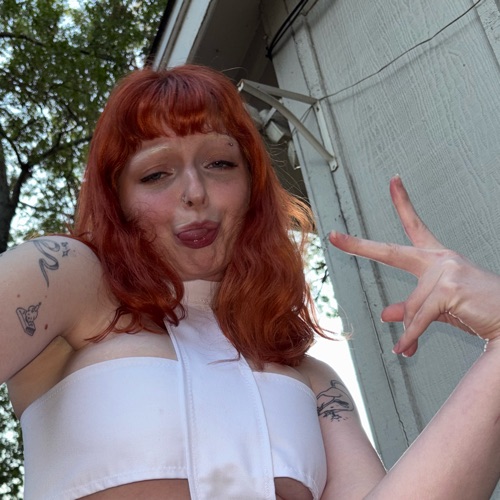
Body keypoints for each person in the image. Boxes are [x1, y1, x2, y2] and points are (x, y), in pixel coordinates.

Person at [0, 64, 499, 500]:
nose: (195, 192)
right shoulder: (68, 277)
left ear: (253, 188)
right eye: (155, 174)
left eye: (219, 164)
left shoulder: (311, 376)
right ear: (117, 199)